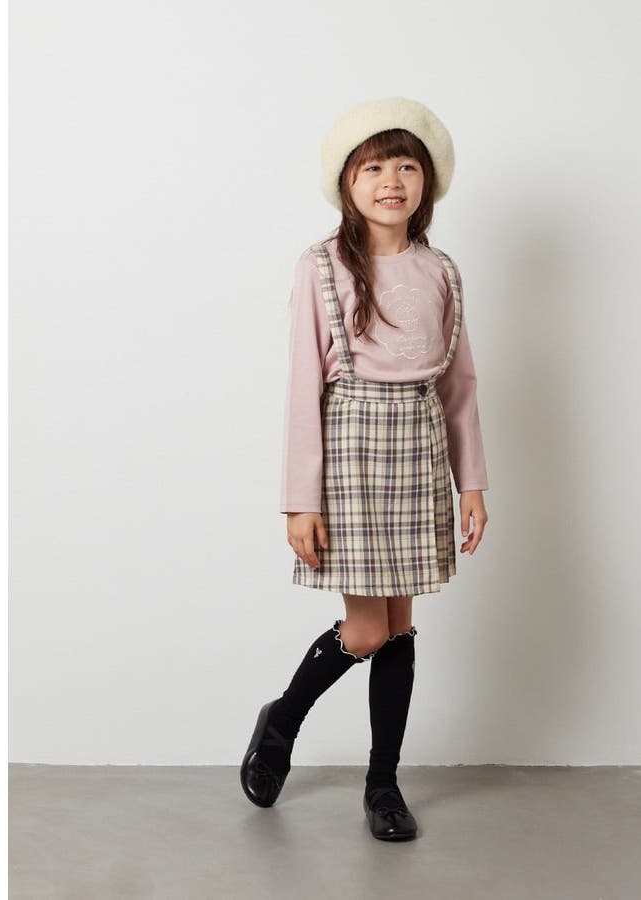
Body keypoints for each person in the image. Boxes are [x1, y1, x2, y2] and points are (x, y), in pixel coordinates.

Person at [240, 96, 490, 841]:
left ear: (427, 182)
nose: (392, 181)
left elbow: (460, 384)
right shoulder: (321, 267)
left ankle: (384, 785)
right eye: (374, 168)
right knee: (368, 628)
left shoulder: (440, 270)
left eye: (406, 166)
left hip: (418, 450)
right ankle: (282, 721)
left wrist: (472, 482)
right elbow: (303, 389)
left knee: (401, 626)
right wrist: (300, 498)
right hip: (349, 455)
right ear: (346, 183)